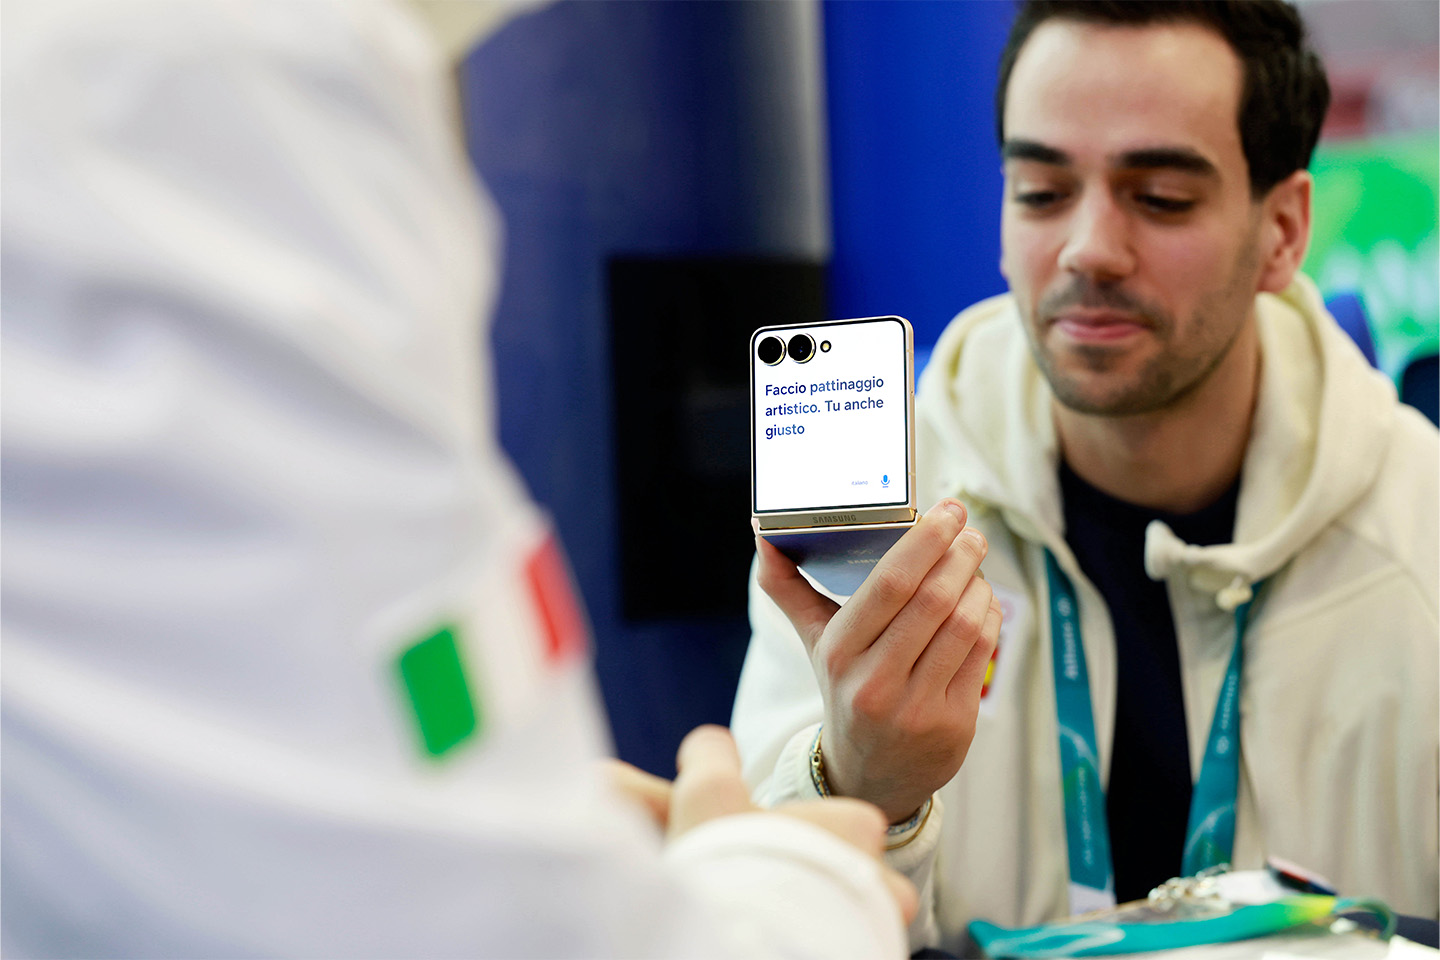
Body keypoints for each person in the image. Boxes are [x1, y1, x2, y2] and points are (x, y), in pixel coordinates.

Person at [0, 1, 919, 956]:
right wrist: (796, 885)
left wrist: (537, 807)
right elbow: (422, 908)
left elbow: (235, 701)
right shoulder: (196, 61)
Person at [733, 0, 1439, 950]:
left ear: (1282, 231)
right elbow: (757, 924)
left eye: (1161, 198)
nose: (1088, 249)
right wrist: (866, 788)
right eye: (1040, 191)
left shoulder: (1419, 530)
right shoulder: (881, 521)